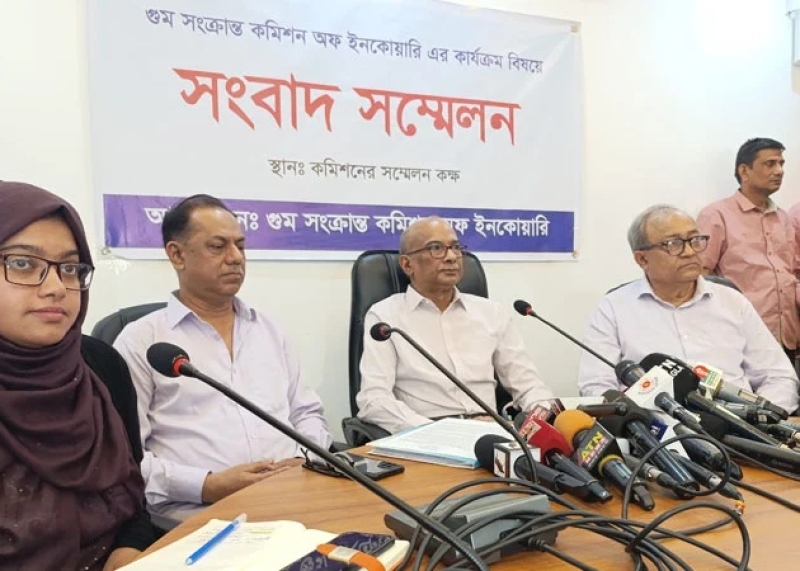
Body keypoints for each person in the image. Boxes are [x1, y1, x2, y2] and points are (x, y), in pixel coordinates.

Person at [114, 194, 332, 520]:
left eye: (240, 246)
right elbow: (125, 458)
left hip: (294, 498)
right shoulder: (141, 341)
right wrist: (208, 485)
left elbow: (307, 413)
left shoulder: (270, 330)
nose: (235, 258)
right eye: (218, 247)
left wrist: (305, 461)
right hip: (201, 514)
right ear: (177, 254)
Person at [0, 181, 155, 570]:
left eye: (70, 268)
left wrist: (127, 553)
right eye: (23, 263)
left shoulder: (99, 365)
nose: (57, 288)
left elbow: (134, 503)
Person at [578, 204, 799, 414]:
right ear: (642, 259)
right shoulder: (614, 308)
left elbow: (779, 376)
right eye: (673, 244)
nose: (690, 252)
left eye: (695, 240)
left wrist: (760, 419)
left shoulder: (733, 302)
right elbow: (596, 386)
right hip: (656, 432)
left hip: (739, 428)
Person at [356, 216, 556, 434]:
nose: (451, 257)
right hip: (428, 435)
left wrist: (539, 416)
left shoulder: (492, 313)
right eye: (436, 248)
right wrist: (438, 431)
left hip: (491, 434)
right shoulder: (386, 317)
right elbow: (373, 400)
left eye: (455, 247)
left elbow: (528, 385)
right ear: (407, 264)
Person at [696, 137, 800, 365]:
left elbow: (790, 274)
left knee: (787, 389)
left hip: (785, 338)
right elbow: (700, 276)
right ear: (744, 170)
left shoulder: (782, 218)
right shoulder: (716, 215)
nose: (779, 171)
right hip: (741, 338)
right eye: (770, 164)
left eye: (781, 163)